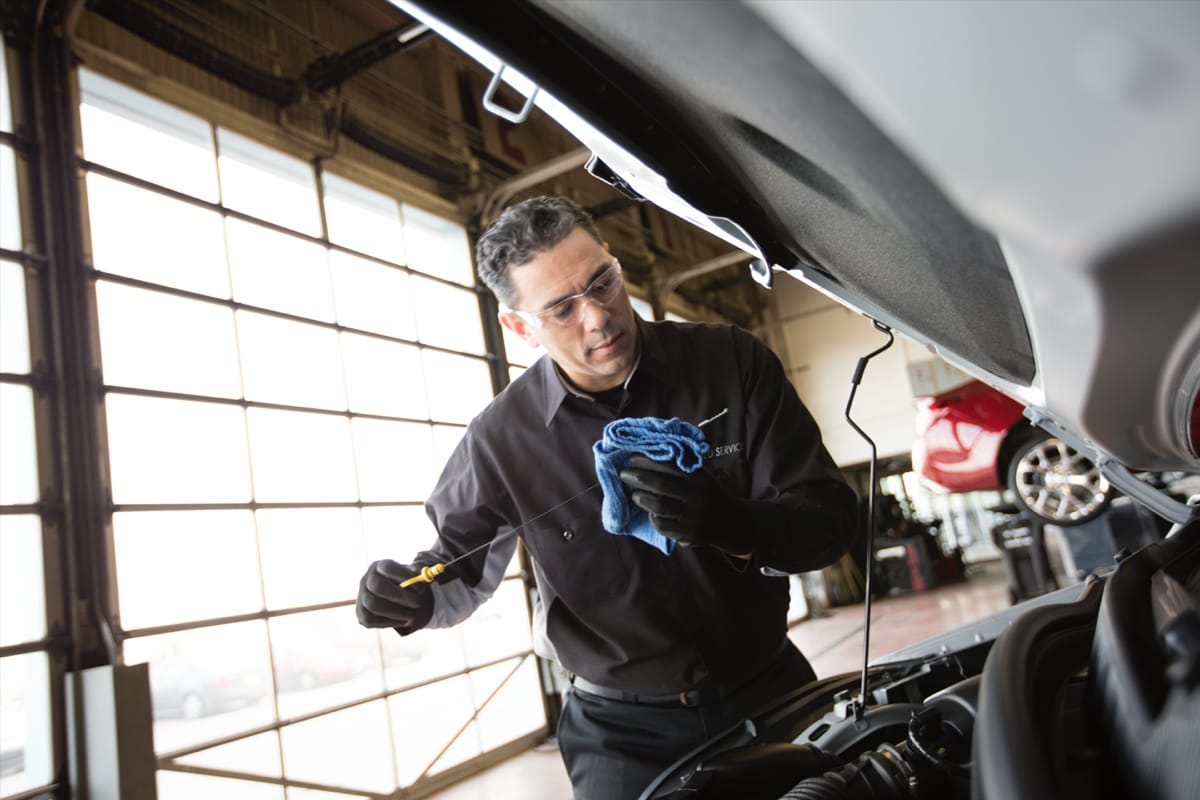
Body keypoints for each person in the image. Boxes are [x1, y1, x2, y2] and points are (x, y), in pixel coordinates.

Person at [356, 195, 857, 799]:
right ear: (519, 327)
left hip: (771, 689)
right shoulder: (499, 441)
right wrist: (404, 598)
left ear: (618, 266)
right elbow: (455, 576)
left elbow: (829, 522)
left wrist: (735, 524)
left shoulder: (731, 362)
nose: (596, 317)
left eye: (602, 283)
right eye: (561, 309)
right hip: (623, 735)